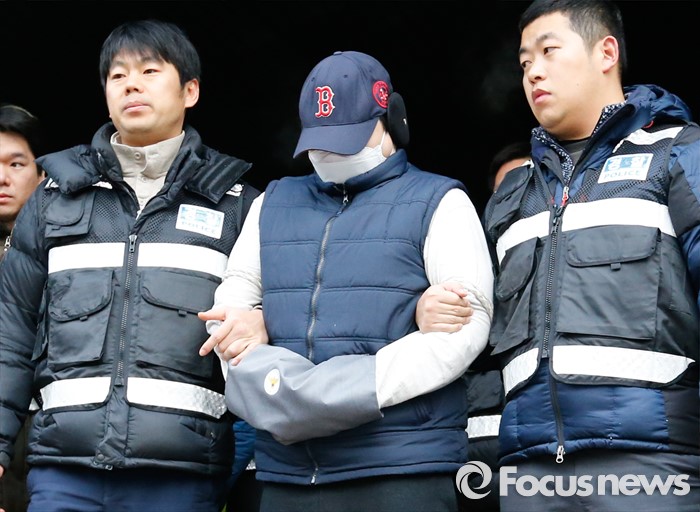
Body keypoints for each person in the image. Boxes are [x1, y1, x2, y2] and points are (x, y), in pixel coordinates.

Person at [198, 50, 493, 512]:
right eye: (320, 141)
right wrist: (252, 325)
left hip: (400, 470)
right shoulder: (272, 202)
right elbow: (229, 310)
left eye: (346, 138)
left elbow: (466, 325)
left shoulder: (440, 200)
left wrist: (326, 395)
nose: (330, 153)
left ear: (391, 118)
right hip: (288, 476)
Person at [0, 19, 262, 512]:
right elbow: (10, 331)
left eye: (149, 71)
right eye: (117, 75)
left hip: (182, 476)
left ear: (190, 91)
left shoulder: (238, 205)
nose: (131, 85)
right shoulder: (53, 199)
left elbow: (274, 333)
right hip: (64, 471)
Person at [481, 0, 700, 510]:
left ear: (606, 53)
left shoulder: (677, 154)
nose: (533, 71)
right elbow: (479, 334)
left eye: (548, 51)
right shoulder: (512, 194)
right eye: (524, 62)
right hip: (529, 472)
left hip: (652, 464)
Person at [0, 103, 47, 512]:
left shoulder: (71, 249)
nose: (2, 178)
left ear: (42, 174)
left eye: (16, 164)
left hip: (45, 426)